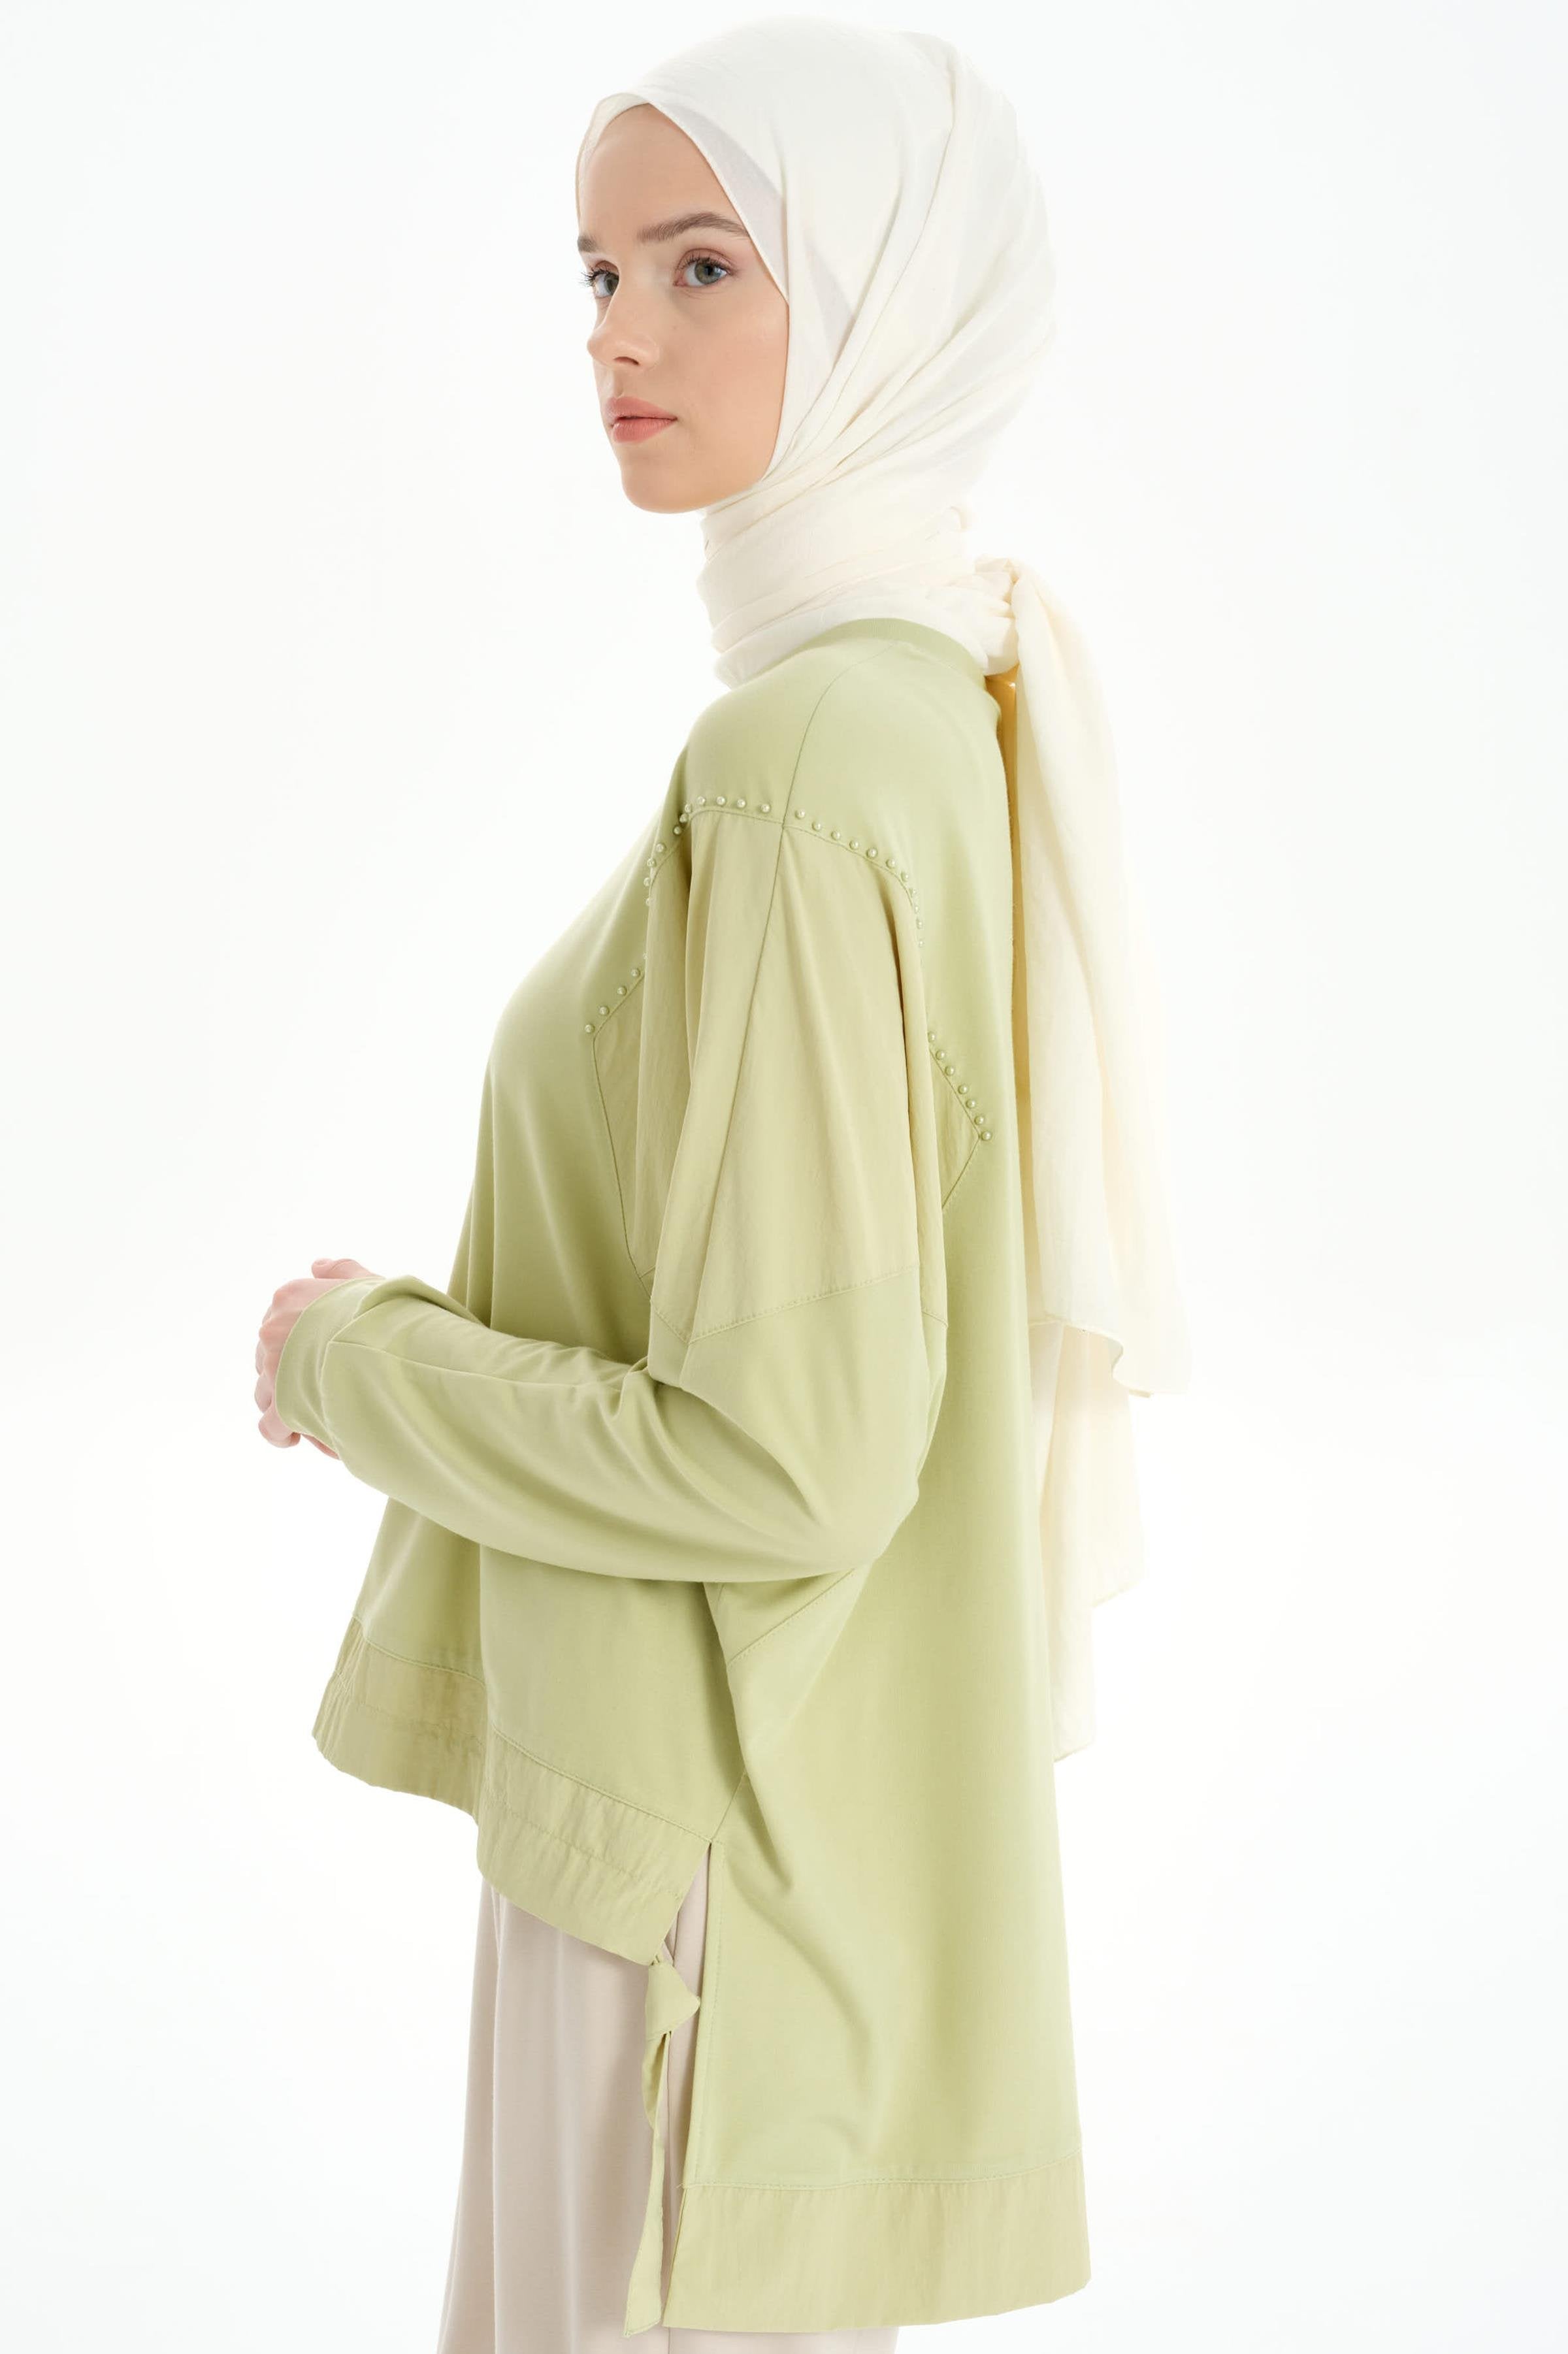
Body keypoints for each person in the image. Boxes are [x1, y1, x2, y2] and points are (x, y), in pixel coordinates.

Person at [254, 18, 1189, 2351]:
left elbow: (789, 1457)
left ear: (882, 300)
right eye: (596, 274)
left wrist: (356, 1361)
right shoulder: (937, 703)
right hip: (756, 1858)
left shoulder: (803, 764)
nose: (618, 339)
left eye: (702, 265)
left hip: (690, 1891)